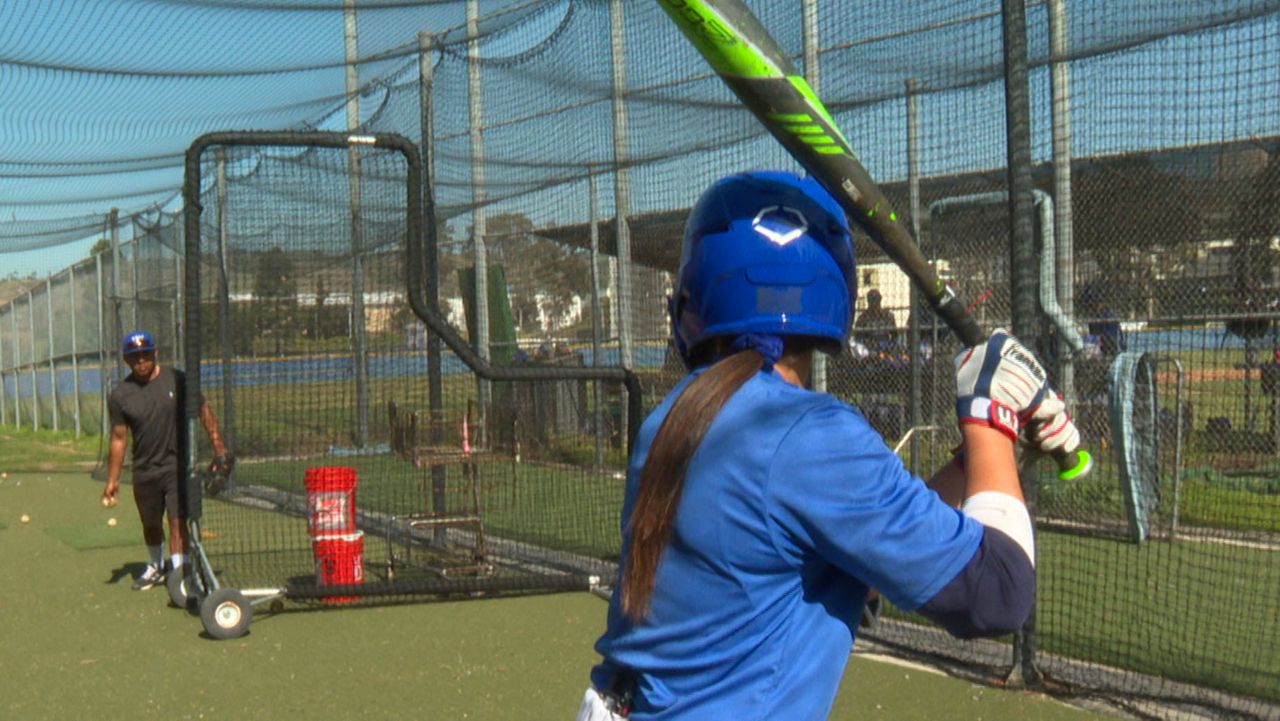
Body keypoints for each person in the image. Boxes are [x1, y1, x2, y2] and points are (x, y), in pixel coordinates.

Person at [577, 171, 1082, 721]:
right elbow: (998, 592)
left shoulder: (676, 419)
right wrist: (988, 414)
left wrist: (992, 452)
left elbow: (866, 536)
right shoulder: (808, 437)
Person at [102, 330, 229, 591]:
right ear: (127, 360)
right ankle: (156, 566)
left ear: (155, 353)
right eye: (135, 357)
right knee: (150, 523)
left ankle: (180, 572)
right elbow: (118, 438)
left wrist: (219, 447)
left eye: (145, 354)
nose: (141, 361)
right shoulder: (120, 395)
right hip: (145, 469)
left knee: (177, 519)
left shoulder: (176, 380)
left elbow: (203, 410)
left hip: (175, 465)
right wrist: (112, 480)